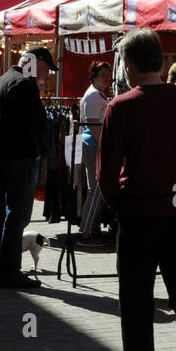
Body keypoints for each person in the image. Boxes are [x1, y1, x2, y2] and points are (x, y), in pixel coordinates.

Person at [100, 29, 176, 351]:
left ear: (128, 66)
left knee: (136, 307)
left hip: (139, 219)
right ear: (160, 61)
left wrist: (120, 206)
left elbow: (106, 174)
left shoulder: (120, 107)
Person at [0, 47, 55, 289]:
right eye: (46, 68)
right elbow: (28, 127)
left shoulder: (1, 82)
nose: (47, 74)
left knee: (4, 212)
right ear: (36, 63)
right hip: (20, 159)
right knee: (17, 215)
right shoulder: (24, 84)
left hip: (4, 160)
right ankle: (9, 270)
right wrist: (36, 152)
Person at [77, 60, 113, 244]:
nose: (106, 78)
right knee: (96, 190)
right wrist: (104, 146)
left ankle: (91, 228)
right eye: (102, 75)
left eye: (108, 74)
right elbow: (92, 125)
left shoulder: (97, 95)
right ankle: (86, 232)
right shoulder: (93, 96)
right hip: (93, 146)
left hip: (94, 145)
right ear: (93, 76)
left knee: (96, 190)